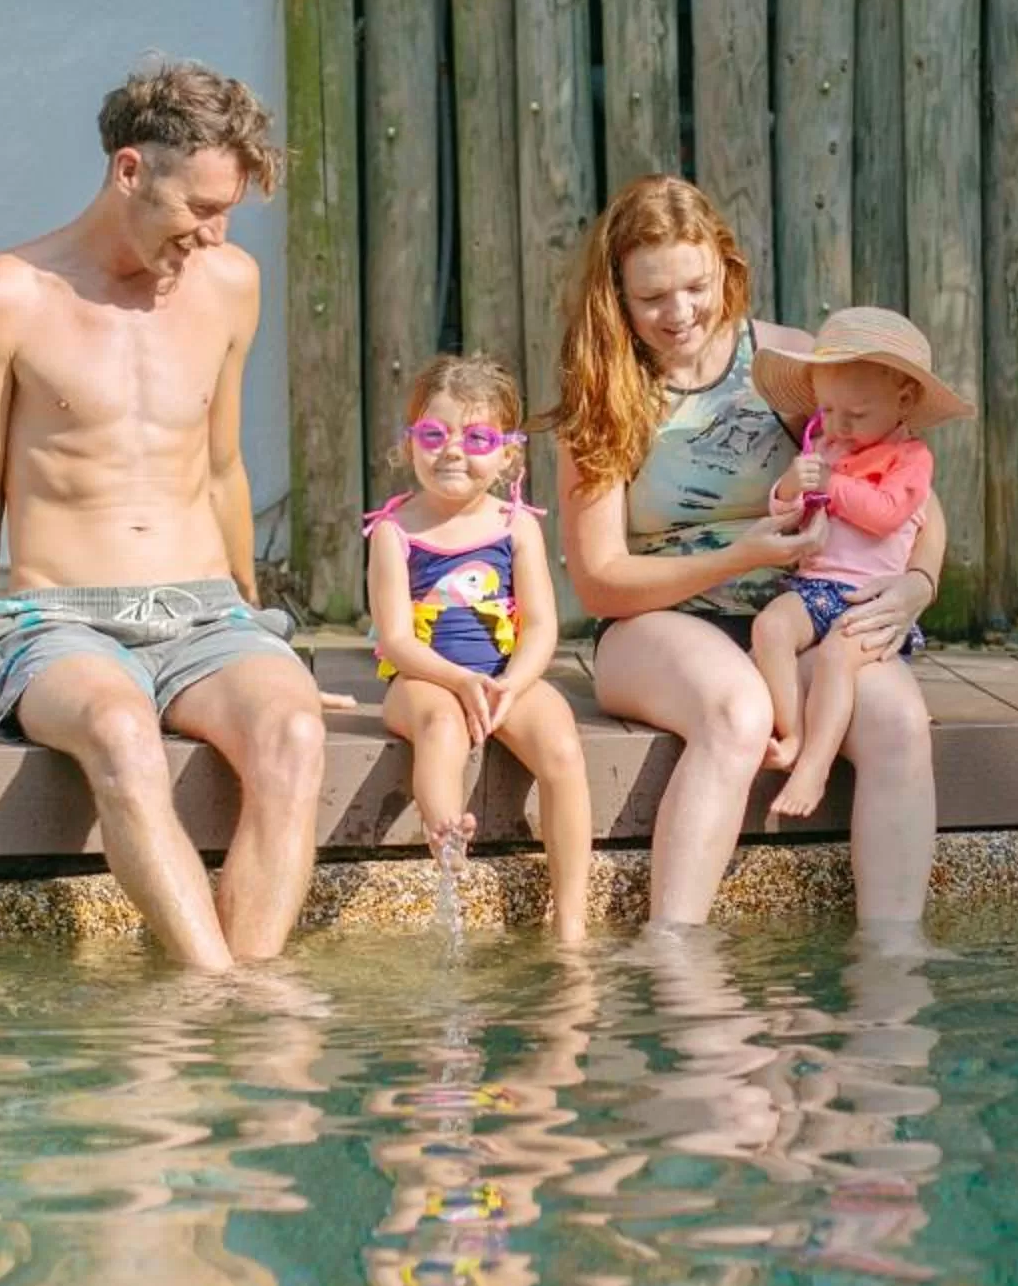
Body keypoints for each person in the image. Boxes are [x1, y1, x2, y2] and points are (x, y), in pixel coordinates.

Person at [0, 56, 327, 971]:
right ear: (130, 170)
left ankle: (249, 994)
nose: (215, 234)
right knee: (120, 732)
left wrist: (258, 630)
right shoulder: (1, 298)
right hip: (59, 622)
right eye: (199, 208)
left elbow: (222, 467)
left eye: (229, 212)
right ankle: (215, 989)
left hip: (207, 616)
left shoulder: (229, 283)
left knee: (295, 732)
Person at [550, 176, 946, 927]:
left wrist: (918, 584)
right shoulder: (603, 392)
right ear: (617, 297)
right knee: (737, 711)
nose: (679, 313)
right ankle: (678, 959)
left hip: (800, 612)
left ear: (726, 269)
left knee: (897, 719)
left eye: (696, 287)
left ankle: (892, 970)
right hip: (655, 623)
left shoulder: (787, 363)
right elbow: (600, 582)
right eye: (652, 297)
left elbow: (920, 502)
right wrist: (742, 554)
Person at [364, 354, 593, 943]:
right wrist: (459, 681)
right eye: (434, 435)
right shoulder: (395, 532)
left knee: (562, 748)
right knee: (442, 725)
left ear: (508, 454)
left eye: (477, 438)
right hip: (421, 679)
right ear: (409, 443)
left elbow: (540, 626)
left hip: (502, 676)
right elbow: (395, 640)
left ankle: (571, 924)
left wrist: (512, 684)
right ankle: (447, 832)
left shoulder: (515, 526)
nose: (452, 451)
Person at [748, 308, 969, 821]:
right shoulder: (824, 444)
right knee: (770, 629)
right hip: (814, 587)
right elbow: (787, 512)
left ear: (904, 401)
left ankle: (815, 765)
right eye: (827, 410)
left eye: (856, 414)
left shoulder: (910, 460)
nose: (839, 426)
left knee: (835, 658)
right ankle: (793, 732)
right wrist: (789, 488)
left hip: (870, 600)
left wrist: (833, 485)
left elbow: (885, 514)